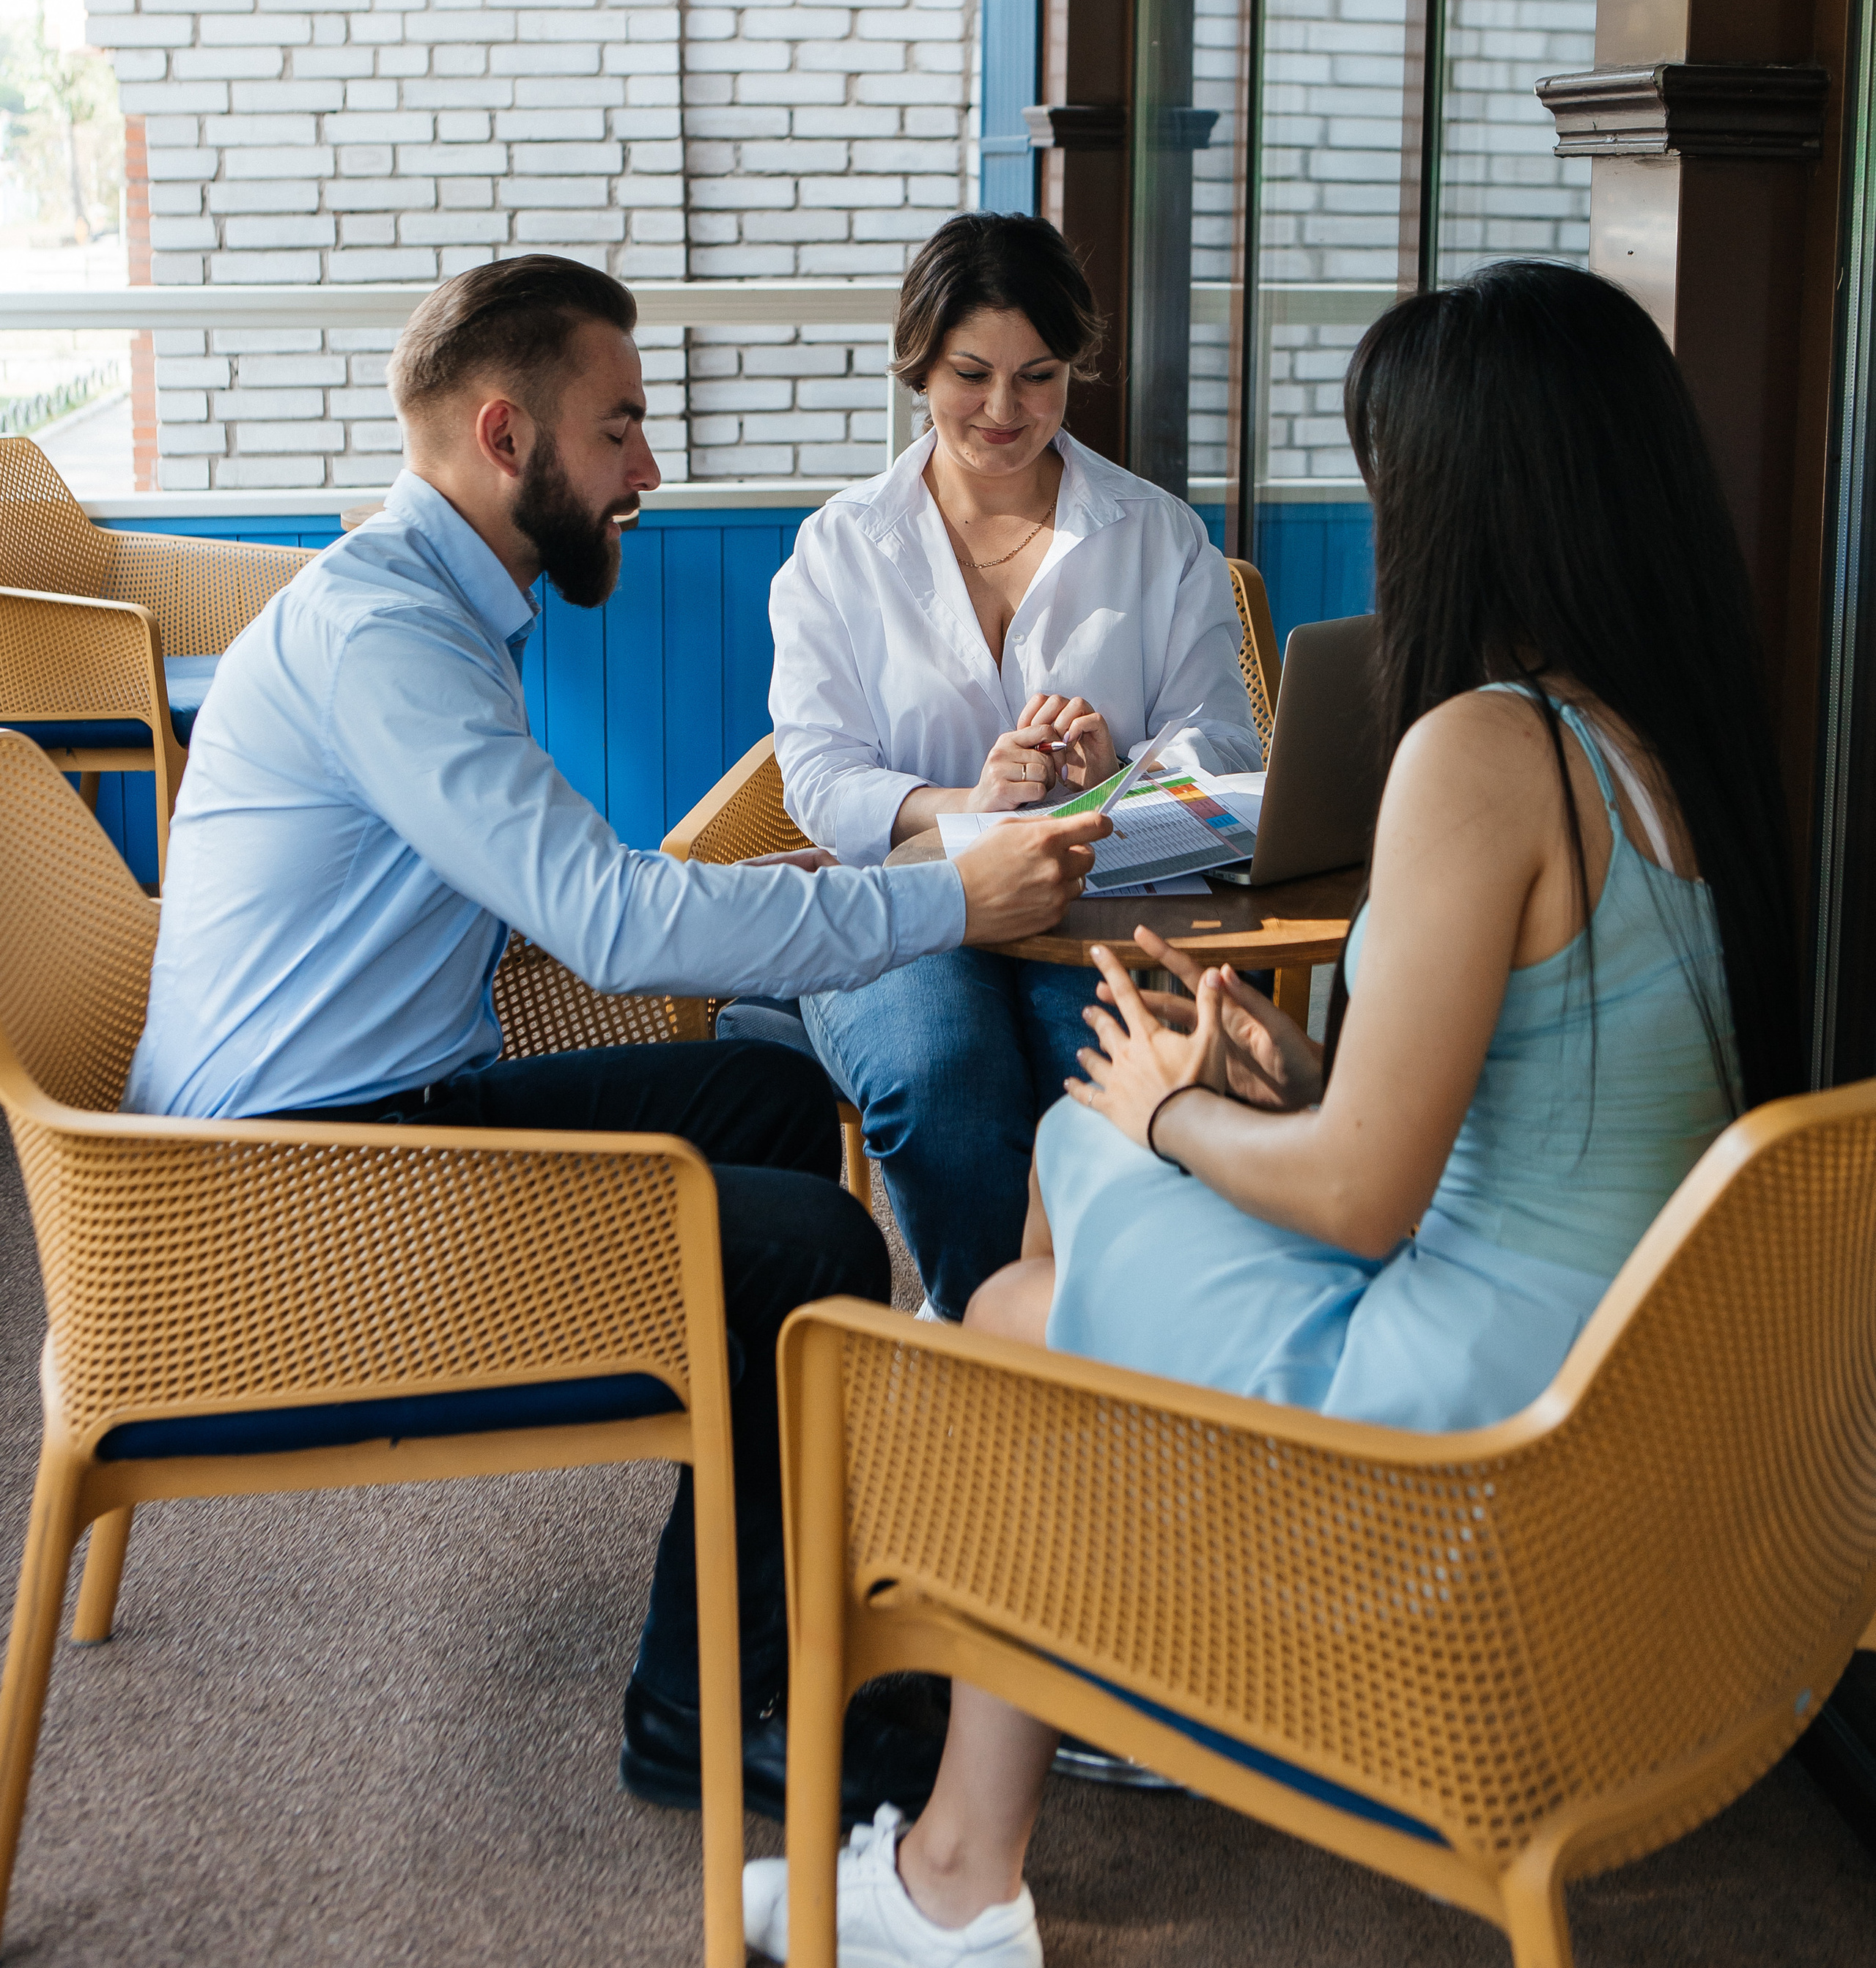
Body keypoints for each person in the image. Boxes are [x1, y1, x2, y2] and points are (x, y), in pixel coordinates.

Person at [744, 257, 1804, 1966]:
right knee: (1064, 1163)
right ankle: (984, 1822)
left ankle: (963, 1863)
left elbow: (1366, 1203)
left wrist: (1177, 1119)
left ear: (1466, 495)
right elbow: (1534, 1098)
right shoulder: (1656, 748)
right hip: (1616, 1377)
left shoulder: (1481, 750)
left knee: (1046, 1242)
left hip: (1478, 1412)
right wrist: (1297, 1079)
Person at [122, 254, 1101, 1833]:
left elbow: (581, 893)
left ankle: (760, 1598)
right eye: (620, 430)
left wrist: (807, 887)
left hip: (374, 1113)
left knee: (767, 1092)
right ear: (505, 436)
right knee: (806, 1252)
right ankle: (714, 1714)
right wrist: (937, 893)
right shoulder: (388, 637)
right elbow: (610, 926)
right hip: (291, 1203)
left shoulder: (422, 600)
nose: (650, 469)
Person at [759, 211, 1263, 1320]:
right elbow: (817, 774)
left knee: (1093, 1077)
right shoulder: (840, 548)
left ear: (1074, 367)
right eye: (971, 374)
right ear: (919, 367)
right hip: (910, 905)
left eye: (1038, 377)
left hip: (1099, 898)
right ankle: (985, 1340)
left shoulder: (1156, 533)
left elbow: (1225, 740)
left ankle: (1093, 1334)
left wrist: (1119, 765)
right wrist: (962, 804)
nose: (1004, 412)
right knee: (943, 1074)